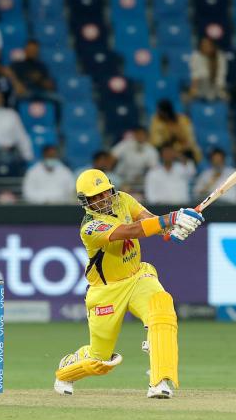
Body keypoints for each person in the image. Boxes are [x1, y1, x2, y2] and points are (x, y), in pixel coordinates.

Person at [53, 168, 205, 398]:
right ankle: (66, 369)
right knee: (100, 360)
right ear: (85, 202)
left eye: (105, 193)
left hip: (137, 277)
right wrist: (172, 217)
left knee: (162, 311)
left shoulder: (123, 199)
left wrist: (171, 229)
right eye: (95, 197)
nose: (103, 199)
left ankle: (159, 381)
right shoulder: (90, 227)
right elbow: (129, 231)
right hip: (107, 291)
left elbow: (147, 220)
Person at [149, 99, 202, 163]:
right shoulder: (156, 119)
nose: (158, 113)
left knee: (191, 154)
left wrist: (178, 135)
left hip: (183, 150)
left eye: (160, 111)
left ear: (166, 112)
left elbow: (190, 139)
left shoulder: (183, 119)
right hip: (165, 150)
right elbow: (156, 141)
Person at [189, 37, 227, 102]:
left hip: (216, 87)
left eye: (207, 45)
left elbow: (221, 76)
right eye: (203, 45)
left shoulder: (220, 56)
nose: (205, 47)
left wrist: (220, 89)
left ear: (213, 46)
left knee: (225, 97)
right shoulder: (196, 56)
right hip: (200, 86)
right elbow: (195, 76)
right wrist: (193, 90)